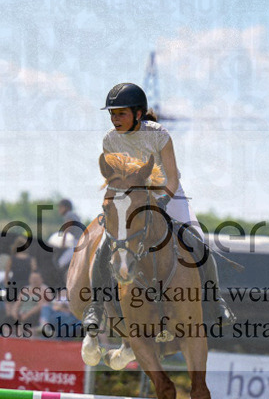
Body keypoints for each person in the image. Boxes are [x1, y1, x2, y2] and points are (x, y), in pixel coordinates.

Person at [82, 82, 234, 331]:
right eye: (112, 113)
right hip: (130, 198)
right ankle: (96, 307)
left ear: (138, 114)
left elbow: (172, 178)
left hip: (167, 193)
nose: (115, 119)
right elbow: (114, 179)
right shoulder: (109, 141)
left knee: (196, 240)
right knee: (103, 245)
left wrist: (161, 201)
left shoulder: (159, 134)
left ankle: (215, 301)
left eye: (121, 113)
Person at [55, 198, 83, 272]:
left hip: (78, 241)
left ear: (66, 208)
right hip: (80, 239)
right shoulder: (73, 214)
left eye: (60, 207)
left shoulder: (68, 215)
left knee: (62, 261)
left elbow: (67, 229)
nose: (59, 210)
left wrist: (63, 243)